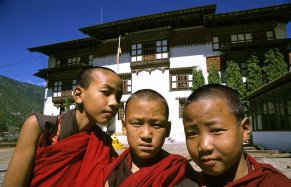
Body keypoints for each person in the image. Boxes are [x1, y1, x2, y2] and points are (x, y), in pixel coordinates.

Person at [3, 67, 123, 187]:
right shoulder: (39, 127)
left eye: (118, 97)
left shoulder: (103, 143)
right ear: (78, 95)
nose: (115, 103)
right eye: (105, 92)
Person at [179, 84, 291, 186]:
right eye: (192, 133)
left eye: (216, 130)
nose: (204, 146)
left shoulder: (274, 183)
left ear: (244, 129)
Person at [103, 89, 196, 187]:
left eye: (156, 125)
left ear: (167, 129)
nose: (146, 135)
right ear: (124, 127)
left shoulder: (178, 170)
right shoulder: (113, 172)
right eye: (137, 124)